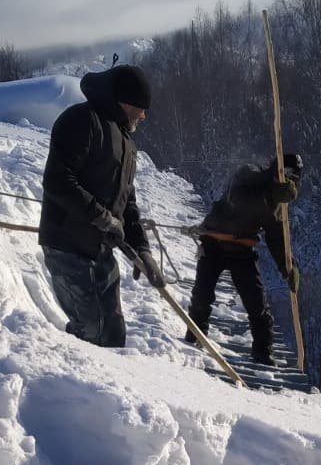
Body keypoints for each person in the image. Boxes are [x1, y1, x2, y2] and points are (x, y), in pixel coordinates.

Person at [39, 64, 165, 348]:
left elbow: (127, 202)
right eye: (139, 108)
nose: (143, 116)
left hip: (100, 248)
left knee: (112, 333)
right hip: (67, 244)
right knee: (92, 330)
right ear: (122, 102)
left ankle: (95, 386)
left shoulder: (125, 141)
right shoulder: (80, 121)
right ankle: (69, 385)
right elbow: (58, 181)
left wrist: (143, 251)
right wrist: (102, 218)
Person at [186, 154, 303, 366]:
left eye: (292, 178)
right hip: (214, 241)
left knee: (256, 303)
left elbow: (276, 239)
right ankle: (194, 338)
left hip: (242, 249)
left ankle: (263, 353)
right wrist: (269, 194)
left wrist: (288, 266)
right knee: (202, 295)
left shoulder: (278, 204)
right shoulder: (249, 173)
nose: (287, 179)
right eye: (285, 174)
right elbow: (236, 198)